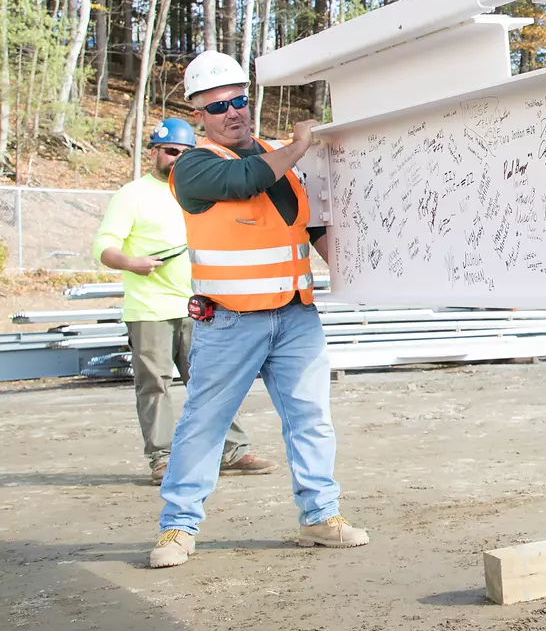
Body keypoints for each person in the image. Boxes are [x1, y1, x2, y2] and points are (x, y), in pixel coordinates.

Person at [147, 51, 366, 570]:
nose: (233, 112)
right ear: (199, 114)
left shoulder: (279, 158)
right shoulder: (195, 166)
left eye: (239, 100)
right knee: (204, 423)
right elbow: (245, 180)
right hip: (229, 321)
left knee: (311, 418)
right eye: (218, 105)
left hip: (294, 316)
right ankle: (177, 527)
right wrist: (298, 145)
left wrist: (364, 280)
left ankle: (321, 515)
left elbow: (312, 228)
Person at [93, 118, 275, 485]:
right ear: (155, 152)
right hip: (150, 311)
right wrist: (131, 263)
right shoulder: (132, 195)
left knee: (213, 381)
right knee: (154, 385)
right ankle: (162, 458)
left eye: (185, 152)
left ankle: (232, 451)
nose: (177, 158)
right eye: (171, 151)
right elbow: (104, 247)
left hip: (201, 307)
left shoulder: (198, 191)